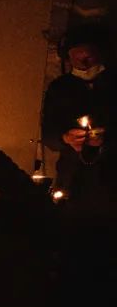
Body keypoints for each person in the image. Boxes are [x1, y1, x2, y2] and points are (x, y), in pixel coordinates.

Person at [41, 20, 112, 203]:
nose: (83, 64)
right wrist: (65, 137)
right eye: (76, 58)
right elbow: (48, 134)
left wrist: (107, 139)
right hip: (73, 178)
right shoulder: (59, 88)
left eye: (88, 58)